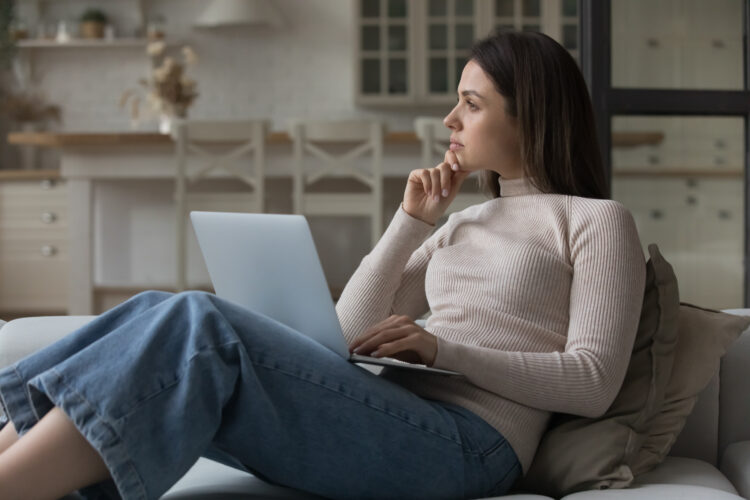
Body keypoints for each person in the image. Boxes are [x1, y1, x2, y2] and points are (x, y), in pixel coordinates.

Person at [0, 30, 645, 500]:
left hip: (470, 445)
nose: (450, 119)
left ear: (529, 112)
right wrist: (411, 222)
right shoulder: (461, 222)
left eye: (471, 104)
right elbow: (347, 330)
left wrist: (446, 352)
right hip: (392, 412)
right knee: (154, 309)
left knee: (200, 322)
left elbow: (592, 383)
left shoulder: (595, 221)